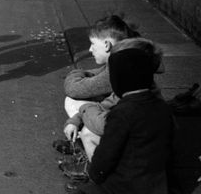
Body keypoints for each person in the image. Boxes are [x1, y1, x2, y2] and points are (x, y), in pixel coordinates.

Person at [68, 40, 174, 194]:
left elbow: (107, 154)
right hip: (155, 184)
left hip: (125, 186)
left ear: (118, 80)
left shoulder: (122, 113)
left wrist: (96, 177)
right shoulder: (162, 106)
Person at [56, 15, 140, 160]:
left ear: (107, 45)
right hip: (131, 129)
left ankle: (91, 162)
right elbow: (110, 102)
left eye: (93, 44)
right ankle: (82, 141)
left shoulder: (118, 72)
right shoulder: (126, 64)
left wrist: (81, 117)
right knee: (90, 109)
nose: (90, 49)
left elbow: (74, 89)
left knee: (75, 104)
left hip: (128, 137)